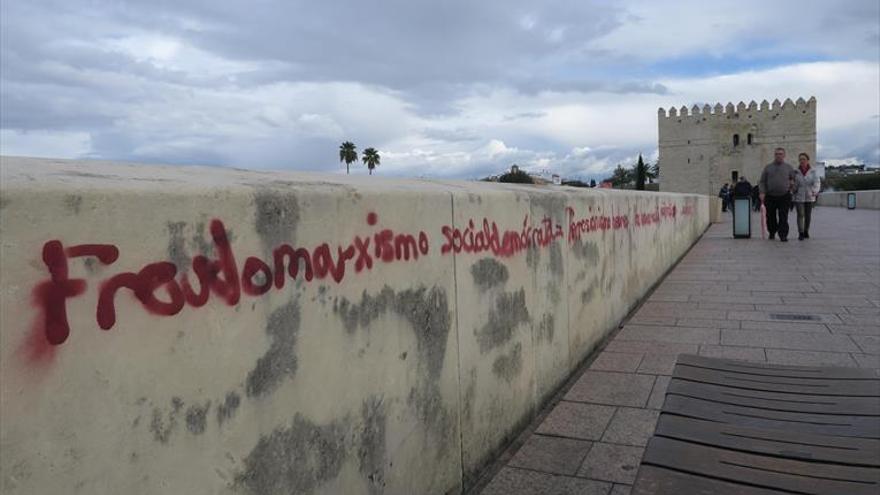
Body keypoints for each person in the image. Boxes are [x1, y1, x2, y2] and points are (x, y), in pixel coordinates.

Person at [759, 147, 796, 242]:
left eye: (780, 154)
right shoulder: (768, 167)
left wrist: (792, 186)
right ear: (774, 155)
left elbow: (794, 179)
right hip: (770, 196)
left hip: (784, 196)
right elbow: (762, 181)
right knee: (770, 216)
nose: (778, 156)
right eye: (776, 154)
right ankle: (772, 232)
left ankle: (783, 235)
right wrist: (762, 192)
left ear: (784, 155)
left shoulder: (789, 167)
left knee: (783, 216)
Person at [791, 152, 821, 240]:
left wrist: (815, 191)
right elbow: (795, 185)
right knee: (800, 214)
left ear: (808, 160)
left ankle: (806, 230)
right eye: (800, 159)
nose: (802, 161)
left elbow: (817, 182)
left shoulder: (814, 171)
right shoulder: (796, 172)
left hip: (809, 195)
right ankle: (800, 232)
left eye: (803, 159)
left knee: (808, 215)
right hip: (799, 196)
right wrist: (792, 188)